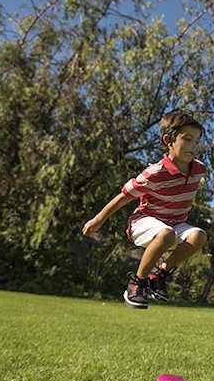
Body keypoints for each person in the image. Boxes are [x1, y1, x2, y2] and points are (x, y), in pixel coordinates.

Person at [83, 111, 207, 309]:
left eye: (197, 141)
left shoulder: (199, 169)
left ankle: (158, 276)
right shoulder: (155, 173)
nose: (193, 145)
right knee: (166, 234)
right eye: (187, 139)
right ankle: (137, 283)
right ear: (169, 140)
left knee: (199, 235)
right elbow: (124, 196)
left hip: (175, 225)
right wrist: (98, 220)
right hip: (143, 222)